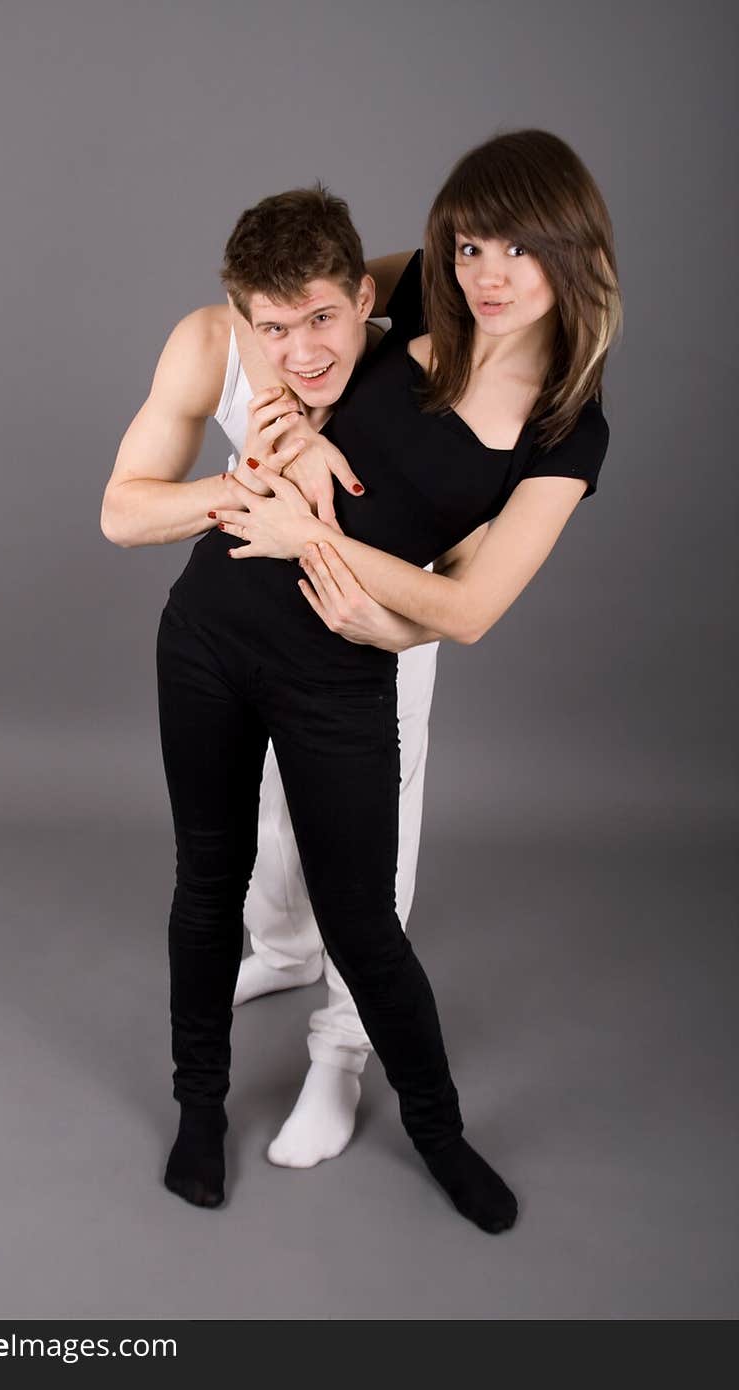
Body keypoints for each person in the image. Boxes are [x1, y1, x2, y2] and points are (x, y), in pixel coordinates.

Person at [104, 129, 621, 1234]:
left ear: (573, 256)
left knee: (366, 926)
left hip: (343, 668)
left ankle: (438, 1130)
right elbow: (299, 301)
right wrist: (277, 424)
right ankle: (201, 1107)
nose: (487, 275)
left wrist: (312, 541)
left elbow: (471, 608)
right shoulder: (428, 295)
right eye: (470, 246)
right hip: (209, 628)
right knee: (209, 880)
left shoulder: (568, 430)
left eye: (519, 252)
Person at [104, 194, 453, 1170]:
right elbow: (122, 514)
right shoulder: (208, 342)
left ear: (363, 297)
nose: (302, 352)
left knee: (371, 869)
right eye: (274, 325)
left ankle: (342, 1051)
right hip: (254, 628)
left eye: (323, 318)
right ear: (238, 312)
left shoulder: (410, 356)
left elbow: (475, 273)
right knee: (259, 821)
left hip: (374, 620)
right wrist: (250, 479)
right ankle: (286, 952)